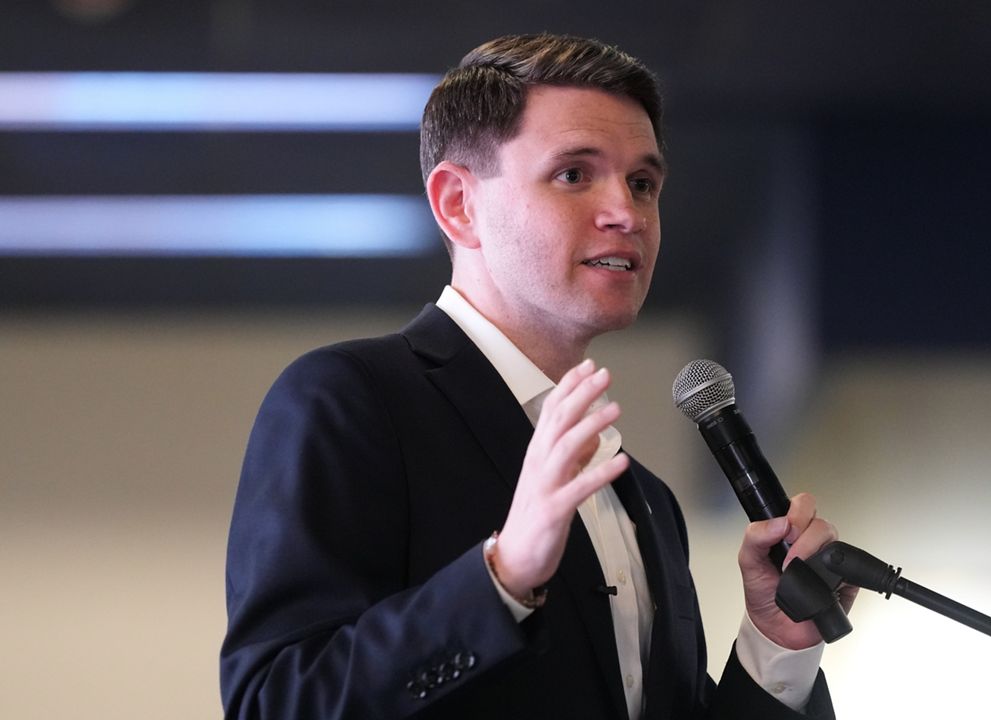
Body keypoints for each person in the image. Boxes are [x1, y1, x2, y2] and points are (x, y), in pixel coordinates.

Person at [220, 33, 855, 720]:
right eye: (574, 174)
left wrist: (776, 644)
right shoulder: (350, 401)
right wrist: (502, 577)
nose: (627, 213)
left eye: (643, 183)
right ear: (459, 205)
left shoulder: (649, 501)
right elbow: (274, 704)